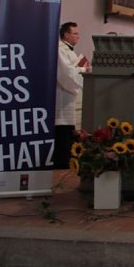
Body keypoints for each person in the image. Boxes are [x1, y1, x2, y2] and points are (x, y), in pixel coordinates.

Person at [54, 22, 90, 169]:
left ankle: (67, 158)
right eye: (75, 33)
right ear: (66, 35)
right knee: (62, 129)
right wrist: (83, 69)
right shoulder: (59, 49)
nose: (78, 37)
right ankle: (61, 161)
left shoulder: (69, 51)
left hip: (70, 95)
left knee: (68, 129)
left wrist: (82, 67)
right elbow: (66, 74)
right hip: (62, 95)